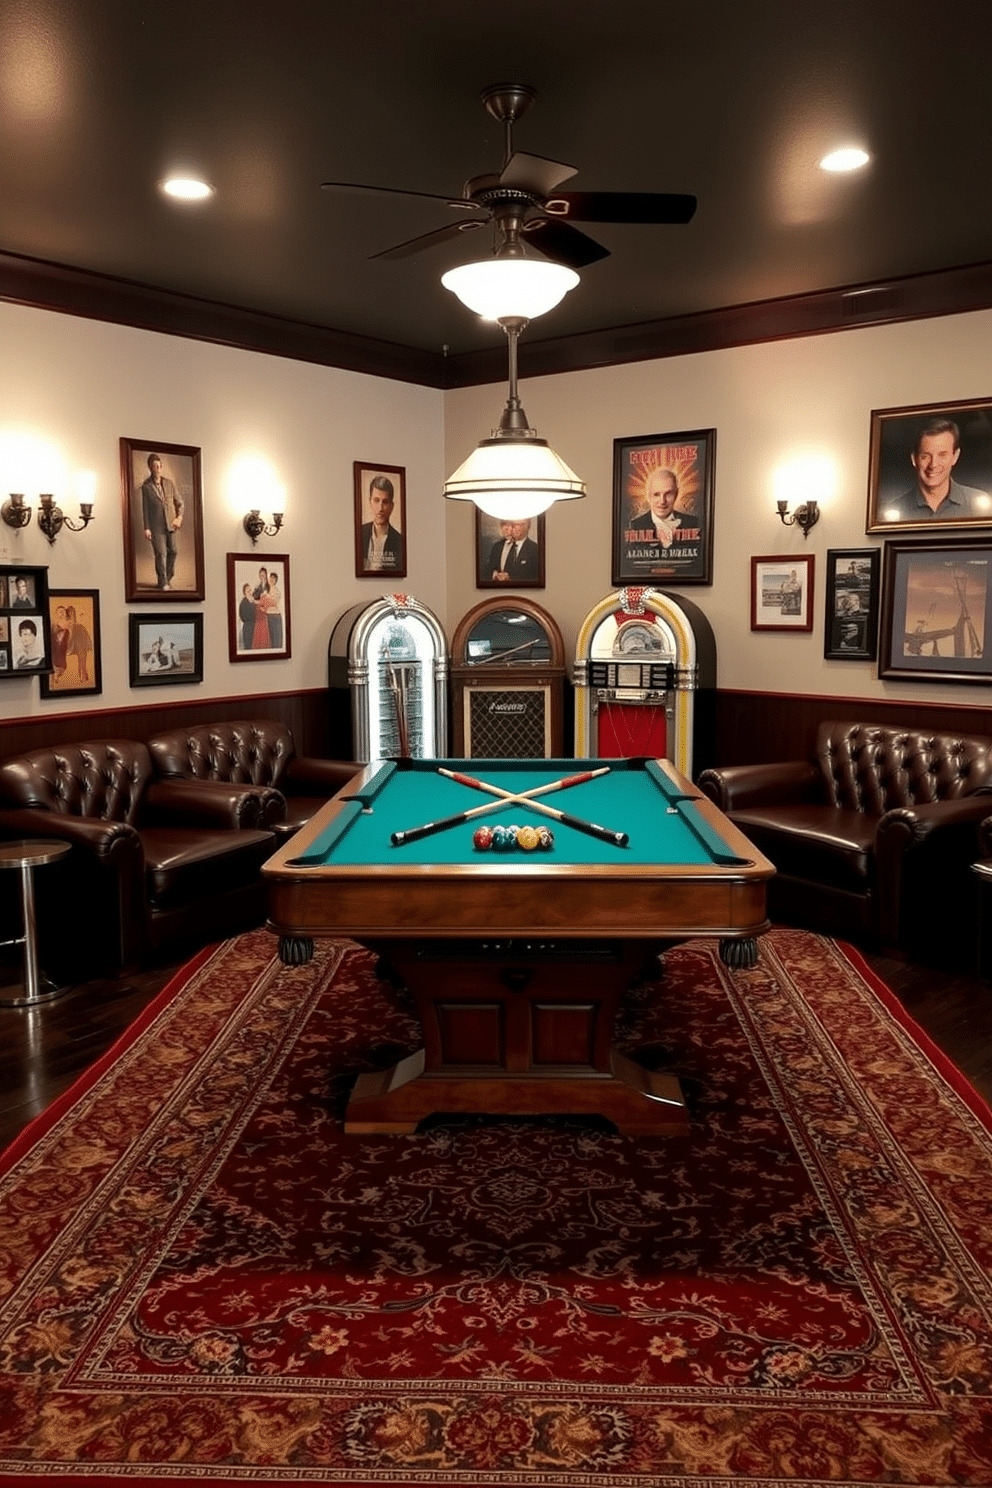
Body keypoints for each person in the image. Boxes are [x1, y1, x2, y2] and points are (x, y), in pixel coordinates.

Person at [884, 419, 988, 521]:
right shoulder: (893, 512)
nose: (933, 464)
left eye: (942, 455)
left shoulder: (981, 506)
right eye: (925, 456)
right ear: (914, 459)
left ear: (955, 457)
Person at [140, 451, 184, 590]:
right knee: (161, 553)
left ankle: (168, 577)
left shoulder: (169, 484)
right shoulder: (146, 487)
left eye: (159, 466)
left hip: (170, 524)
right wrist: (147, 528)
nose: (157, 469)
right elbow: (145, 509)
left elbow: (180, 503)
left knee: (173, 551)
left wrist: (179, 517)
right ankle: (162, 581)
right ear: (150, 468)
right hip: (156, 526)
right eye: (154, 466)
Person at [629, 468, 684, 547]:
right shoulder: (634, 526)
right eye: (656, 494)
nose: (662, 501)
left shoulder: (692, 522)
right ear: (648, 496)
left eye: (668, 494)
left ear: (676, 494)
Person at [360, 475, 402, 571]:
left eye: (385, 502)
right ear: (370, 502)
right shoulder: (359, 533)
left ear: (391, 506)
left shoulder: (399, 541)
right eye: (376, 501)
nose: (380, 508)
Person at [486, 518, 540, 582]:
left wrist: (510, 578)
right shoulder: (498, 546)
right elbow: (488, 570)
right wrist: (496, 575)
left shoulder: (535, 549)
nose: (517, 528)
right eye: (514, 525)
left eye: (521, 525)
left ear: (528, 526)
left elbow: (535, 576)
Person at [65, 605, 92, 683]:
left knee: (82, 659)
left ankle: (84, 675)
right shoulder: (68, 624)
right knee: (81, 658)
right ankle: (83, 675)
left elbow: (83, 634)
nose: (72, 614)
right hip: (73, 644)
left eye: (73, 612)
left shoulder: (79, 625)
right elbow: (70, 636)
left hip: (81, 644)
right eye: (70, 612)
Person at [252, 577, 277, 648]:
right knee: (259, 635)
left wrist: (264, 609)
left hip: (263, 620)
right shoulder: (258, 599)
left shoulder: (266, 597)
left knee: (263, 635)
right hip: (259, 620)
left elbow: (273, 603)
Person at [51, 605, 70, 680]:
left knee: (62, 667)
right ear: (56, 614)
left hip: (62, 652)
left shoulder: (68, 627)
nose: (62, 614)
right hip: (54, 652)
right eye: (60, 612)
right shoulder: (53, 626)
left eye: (63, 612)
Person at [266, 570, 284, 649]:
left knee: (275, 639)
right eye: (270, 578)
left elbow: (273, 603)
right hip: (269, 615)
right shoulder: (267, 590)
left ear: (276, 581)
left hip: (275, 616)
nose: (271, 580)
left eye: (274, 578)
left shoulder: (276, 591)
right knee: (271, 638)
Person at [239, 583, 256, 651]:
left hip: (254, 626)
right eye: (247, 591)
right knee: (248, 646)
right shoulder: (243, 602)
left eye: (250, 590)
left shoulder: (252, 601)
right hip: (247, 627)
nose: (249, 592)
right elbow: (242, 615)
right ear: (244, 592)